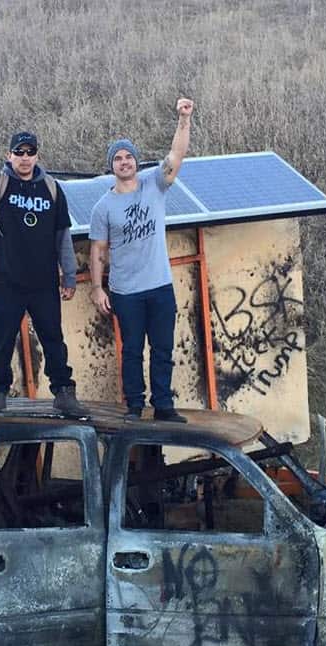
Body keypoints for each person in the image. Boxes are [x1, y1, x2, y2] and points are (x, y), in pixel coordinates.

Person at [0, 119, 86, 416]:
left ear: (37, 156)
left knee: (53, 338)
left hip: (43, 282)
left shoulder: (52, 189)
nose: (25, 157)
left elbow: (62, 236)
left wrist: (69, 275)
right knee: (3, 337)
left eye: (30, 152)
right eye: (19, 152)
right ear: (9, 156)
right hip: (7, 280)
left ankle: (64, 393)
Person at [88, 98, 194, 422]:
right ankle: (134, 405)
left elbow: (176, 155)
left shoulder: (154, 184)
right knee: (132, 352)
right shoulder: (103, 207)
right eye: (118, 159)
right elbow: (97, 251)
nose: (124, 162)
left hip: (160, 286)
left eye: (128, 156)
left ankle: (163, 405)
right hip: (126, 291)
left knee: (162, 350)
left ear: (136, 161)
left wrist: (183, 119)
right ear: (112, 166)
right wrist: (96, 288)